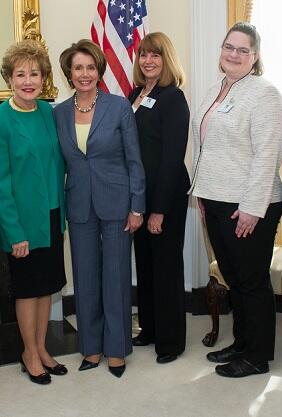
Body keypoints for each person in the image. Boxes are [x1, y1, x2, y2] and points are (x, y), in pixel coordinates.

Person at [190, 22, 282, 378]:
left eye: (243, 50)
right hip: (215, 199)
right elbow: (205, 146)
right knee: (233, 277)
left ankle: (257, 356)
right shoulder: (216, 88)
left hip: (248, 204)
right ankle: (242, 343)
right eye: (229, 47)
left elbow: (267, 155)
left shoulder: (264, 94)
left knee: (251, 280)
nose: (234, 54)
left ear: (255, 56)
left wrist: (252, 208)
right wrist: (201, 191)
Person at [54, 39, 145, 378]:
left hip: (118, 203)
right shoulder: (58, 113)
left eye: (90, 67)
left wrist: (137, 206)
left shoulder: (119, 107)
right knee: (85, 277)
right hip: (79, 204)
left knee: (116, 276)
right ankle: (91, 348)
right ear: (69, 73)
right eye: (78, 68)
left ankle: (117, 349)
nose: (84, 74)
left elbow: (134, 161)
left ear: (99, 71)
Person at [0, 40, 67, 385]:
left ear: (44, 78)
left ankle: (42, 348)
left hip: (52, 215)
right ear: (9, 78)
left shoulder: (48, 112)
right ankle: (29, 353)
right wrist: (13, 231)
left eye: (34, 73)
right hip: (22, 221)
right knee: (27, 289)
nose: (28, 81)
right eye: (20, 74)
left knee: (46, 286)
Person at [128, 32, 190, 364]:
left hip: (166, 195)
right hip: (140, 196)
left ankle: (171, 341)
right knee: (146, 264)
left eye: (155, 55)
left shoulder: (173, 98)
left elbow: (171, 157)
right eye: (143, 55)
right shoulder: (135, 94)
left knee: (166, 268)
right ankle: (150, 329)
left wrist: (159, 210)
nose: (148, 60)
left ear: (167, 59)